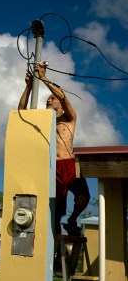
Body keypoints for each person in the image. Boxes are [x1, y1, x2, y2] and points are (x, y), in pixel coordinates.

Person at [18, 63, 90, 236]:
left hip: (70, 164)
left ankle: (72, 219)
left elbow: (64, 98)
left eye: (52, 98)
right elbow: (21, 111)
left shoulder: (69, 118)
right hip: (53, 167)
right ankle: (55, 253)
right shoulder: (43, 121)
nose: (49, 100)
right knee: (56, 212)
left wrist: (44, 79)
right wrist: (28, 87)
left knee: (84, 196)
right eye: (47, 99)